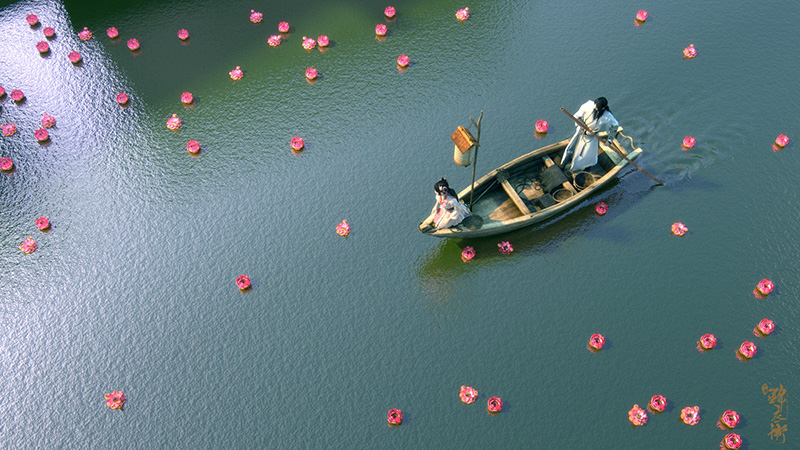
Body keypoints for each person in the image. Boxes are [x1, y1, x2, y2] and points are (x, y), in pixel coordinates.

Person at [560, 97, 622, 172]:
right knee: (571, 149)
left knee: (589, 156)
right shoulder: (588, 105)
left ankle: (586, 169)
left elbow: (615, 125)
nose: (595, 107)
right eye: (595, 105)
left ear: (602, 108)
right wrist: (584, 128)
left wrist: (610, 139)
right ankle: (563, 165)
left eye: (597, 107)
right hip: (581, 133)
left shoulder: (607, 116)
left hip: (592, 137)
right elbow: (577, 117)